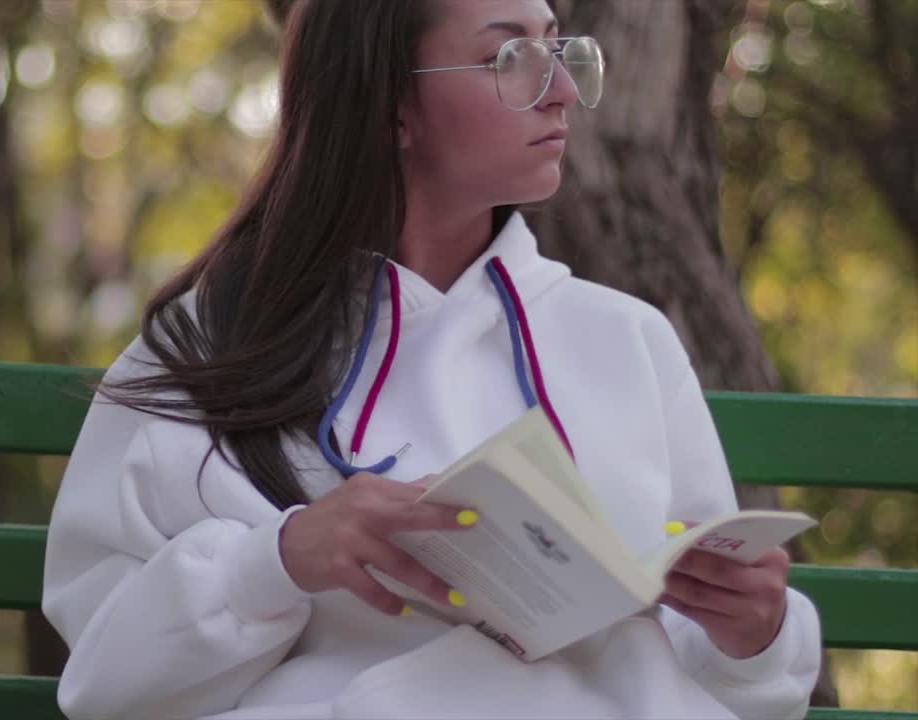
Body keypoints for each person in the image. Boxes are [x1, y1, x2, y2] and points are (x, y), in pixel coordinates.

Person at [41, 1, 822, 718]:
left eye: (557, 48)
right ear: (390, 107)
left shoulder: (626, 340)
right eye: (508, 56)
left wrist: (755, 637)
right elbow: (106, 676)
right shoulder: (214, 344)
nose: (560, 90)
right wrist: (277, 560)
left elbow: (712, 671)